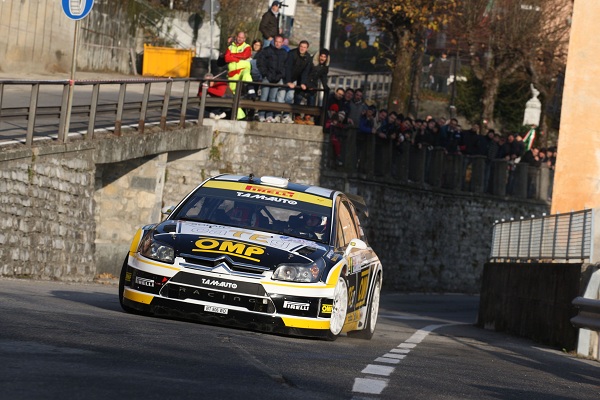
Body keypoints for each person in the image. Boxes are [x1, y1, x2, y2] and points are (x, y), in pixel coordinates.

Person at [278, 40, 312, 124]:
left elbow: (305, 72)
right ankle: (277, 114)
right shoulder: (292, 53)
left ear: (307, 48)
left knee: (289, 97)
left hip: (294, 80)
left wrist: (303, 83)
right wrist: (288, 81)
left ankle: (286, 115)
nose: (302, 49)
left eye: (304, 47)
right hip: (285, 78)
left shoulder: (308, 57)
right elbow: (288, 68)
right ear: (298, 46)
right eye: (301, 46)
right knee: (281, 96)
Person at [256, 35, 288, 122]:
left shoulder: (284, 53)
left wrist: (280, 75)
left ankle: (269, 115)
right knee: (264, 97)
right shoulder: (266, 50)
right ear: (274, 41)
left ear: (282, 43)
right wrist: (265, 74)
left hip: (277, 78)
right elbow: (260, 63)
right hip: (267, 77)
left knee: (272, 98)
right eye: (276, 41)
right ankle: (261, 114)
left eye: (280, 42)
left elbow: (285, 66)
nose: (278, 43)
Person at [295, 48, 330, 125]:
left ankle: (307, 117)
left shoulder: (325, 67)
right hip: (304, 82)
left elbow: (323, 77)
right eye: (321, 56)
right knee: (299, 98)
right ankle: (297, 116)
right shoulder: (311, 62)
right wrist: (304, 83)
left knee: (311, 100)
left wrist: (326, 87)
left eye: (324, 57)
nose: (322, 58)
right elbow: (305, 72)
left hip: (313, 85)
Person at [224, 31, 256, 114]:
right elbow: (226, 58)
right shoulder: (230, 47)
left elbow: (245, 55)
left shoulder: (247, 46)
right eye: (239, 37)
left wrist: (232, 55)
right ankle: (239, 115)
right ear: (236, 37)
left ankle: (251, 90)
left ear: (244, 39)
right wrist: (238, 57)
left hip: (242, 69)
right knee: (233, 96)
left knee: (246, 75)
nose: (240, 39)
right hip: (232, 73)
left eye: (242, 38)